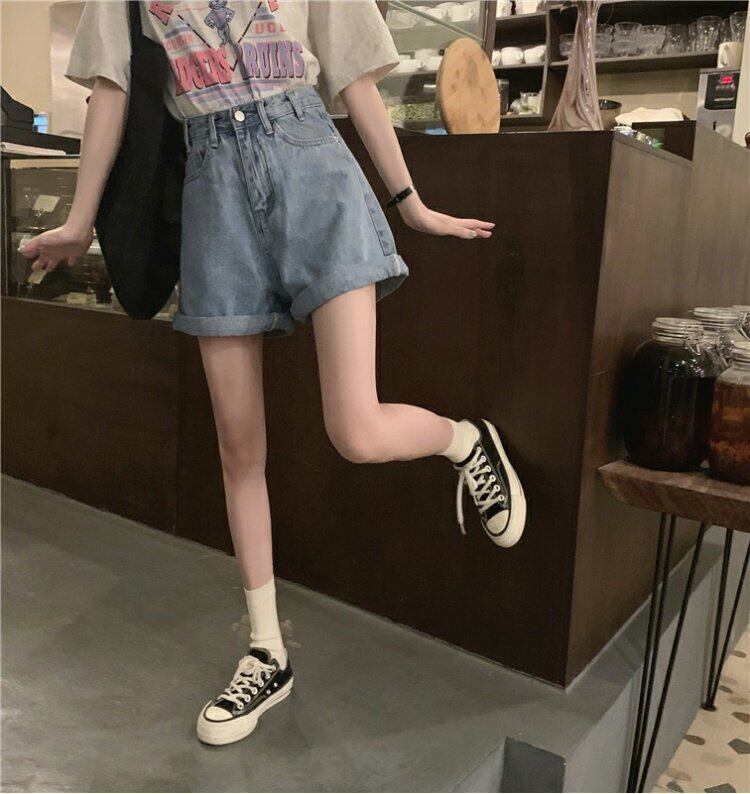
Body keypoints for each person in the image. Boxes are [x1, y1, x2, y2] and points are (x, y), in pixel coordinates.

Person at [21, 0, 527, 747]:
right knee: (238, 447)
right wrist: (78, 220)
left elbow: (354, 79)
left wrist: (410, 204)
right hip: (212, 192)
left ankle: (464, 441)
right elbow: (111, 92)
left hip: (312, 165)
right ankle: (266, 651)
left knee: (357, 430)